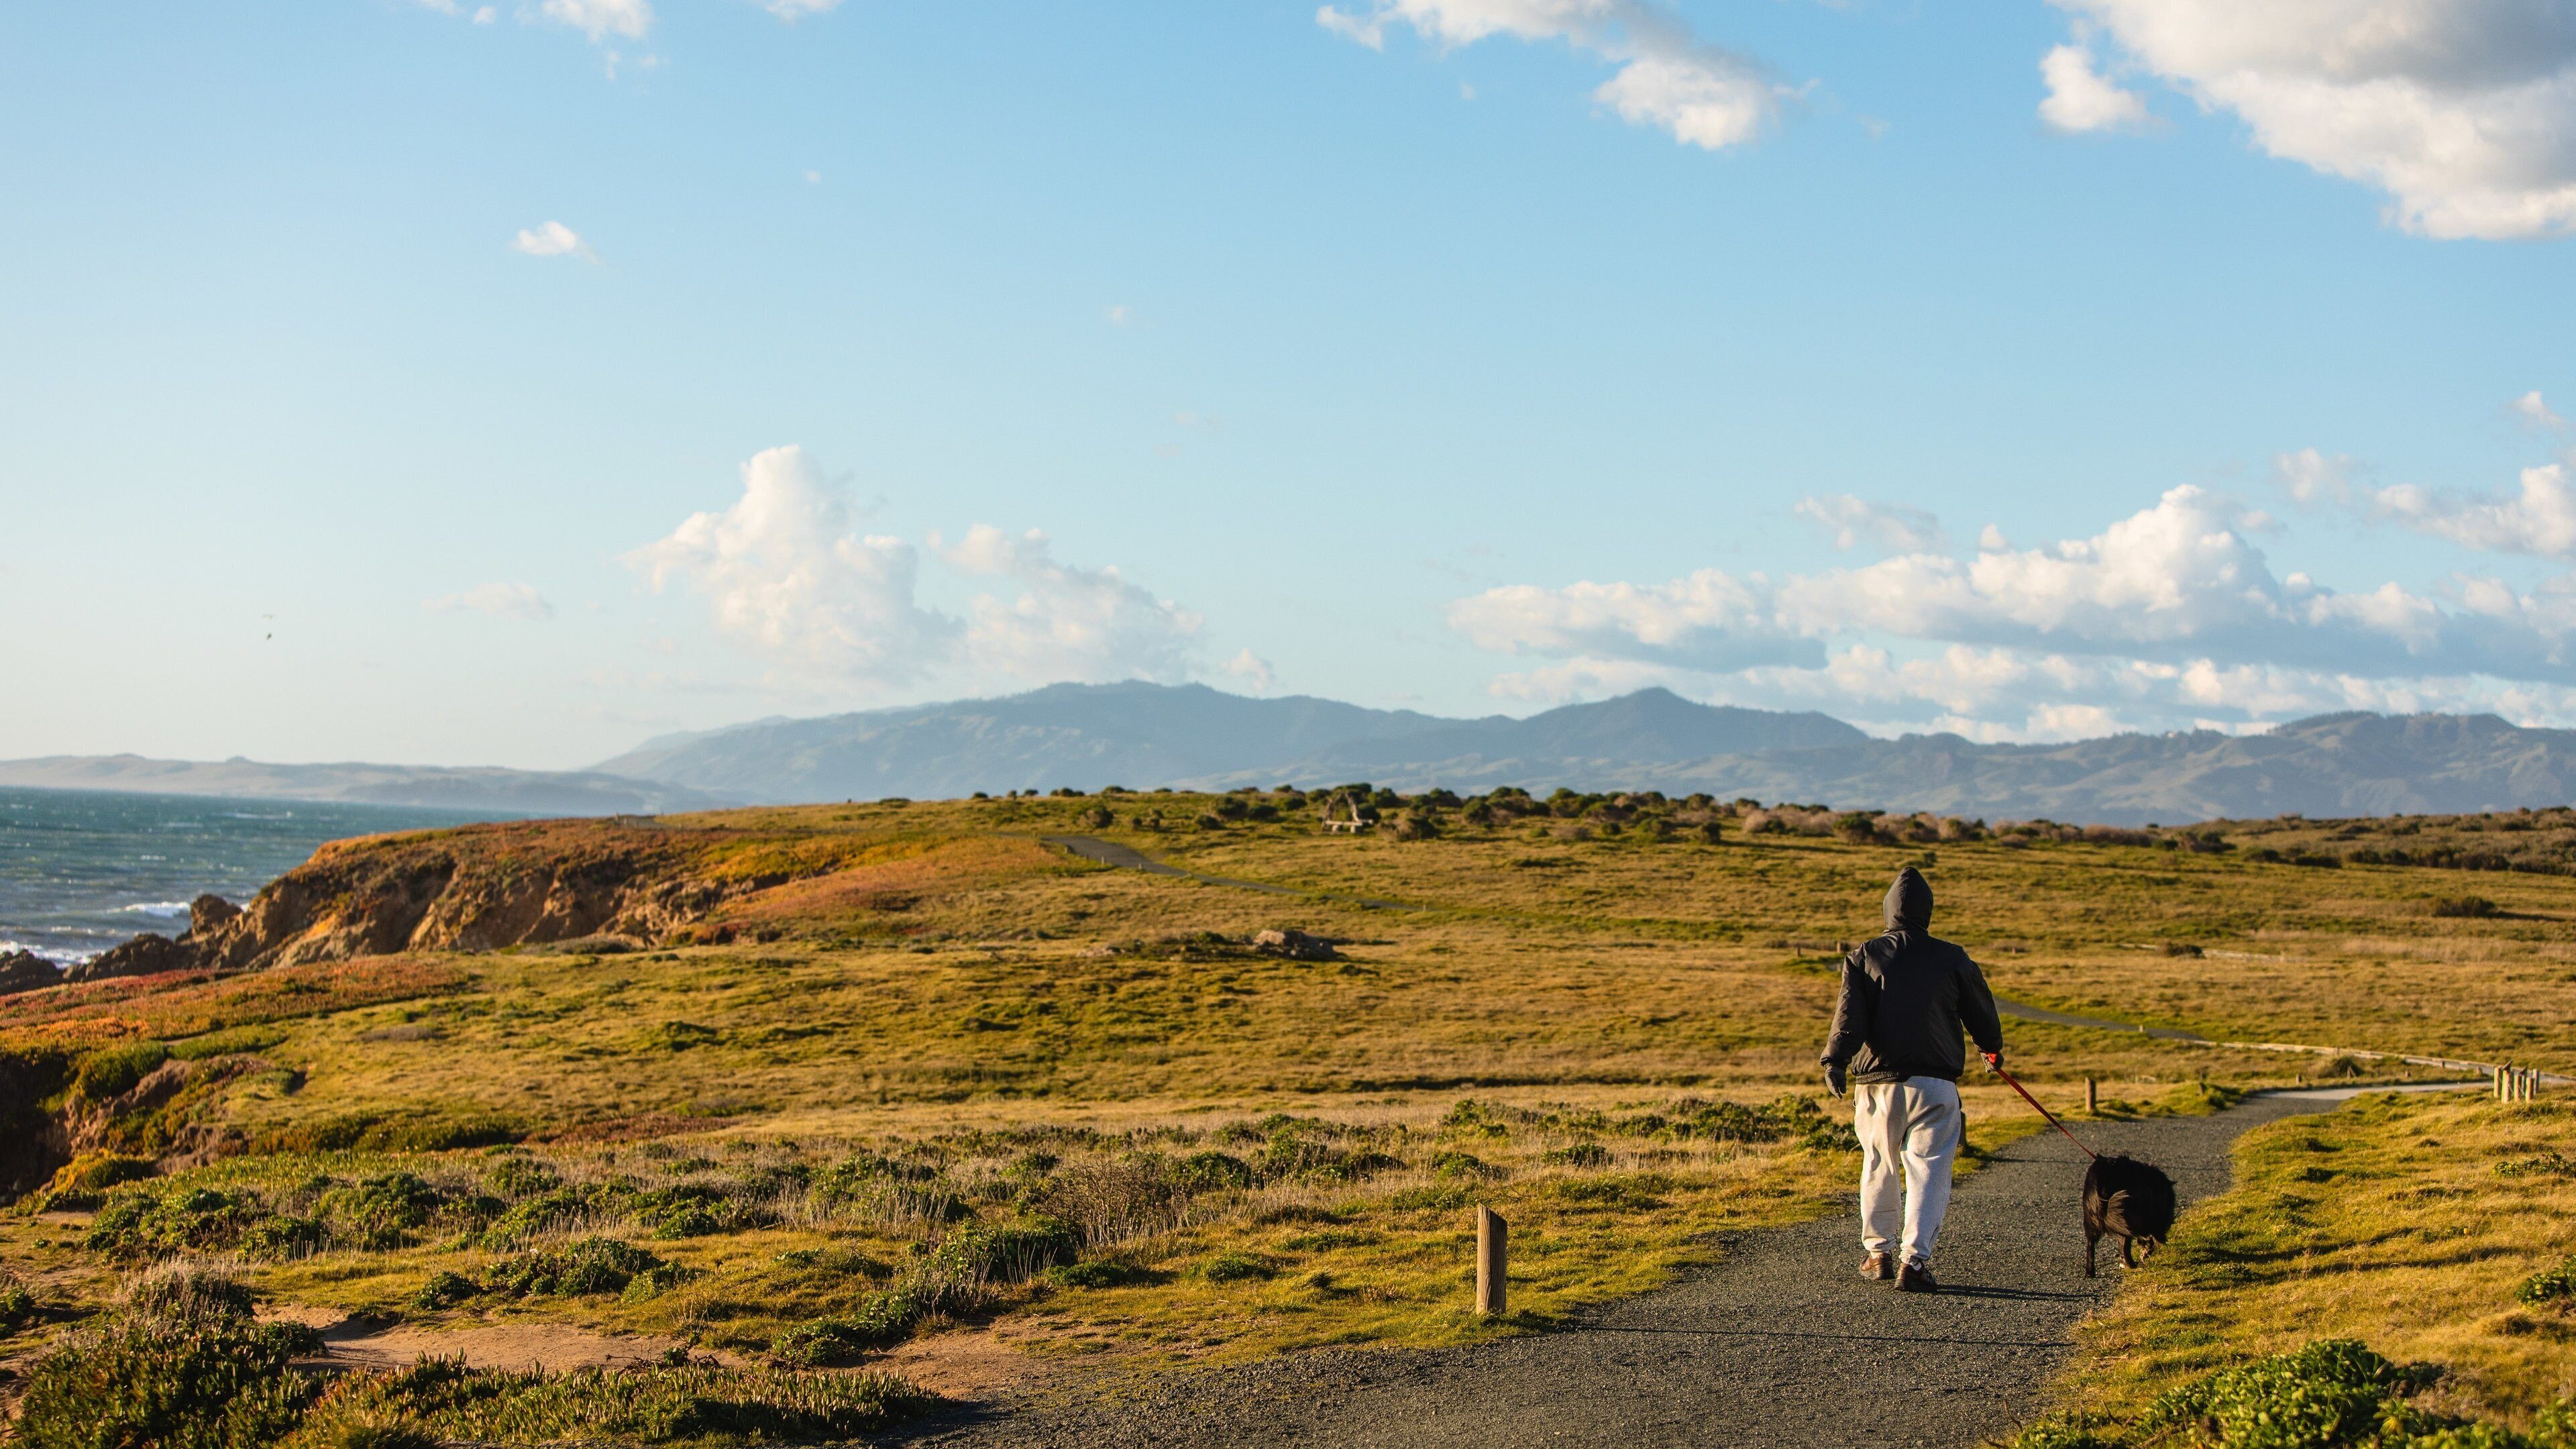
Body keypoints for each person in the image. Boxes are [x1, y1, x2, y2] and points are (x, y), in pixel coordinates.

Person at [1819, 865, 2004, 1293]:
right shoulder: (1953, 957)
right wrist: (1990, 1050)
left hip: (1877, 1084)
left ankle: (1878, 1254)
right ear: (1926, 911)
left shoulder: (1866, 955)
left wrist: (1835, 1061)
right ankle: (1915, 1263)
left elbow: (1849, 1016)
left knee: (1879, 1164)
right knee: (1930, 1169)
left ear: (1889, 909)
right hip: (1935, 1085)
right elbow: (1982, 1011)